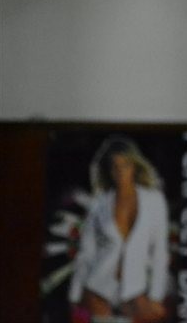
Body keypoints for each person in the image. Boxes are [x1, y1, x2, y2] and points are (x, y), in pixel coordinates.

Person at [69, 136, 170, 323]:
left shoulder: (154, 201)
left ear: (134, 166)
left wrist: (156, 296)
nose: (120, 171)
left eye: (125, 165)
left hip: (134, 290)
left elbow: (160, 253)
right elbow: (86, 253)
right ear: (109, 171)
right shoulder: (99, 204)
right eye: (115, 166)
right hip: (98, 287)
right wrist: (74, 295)